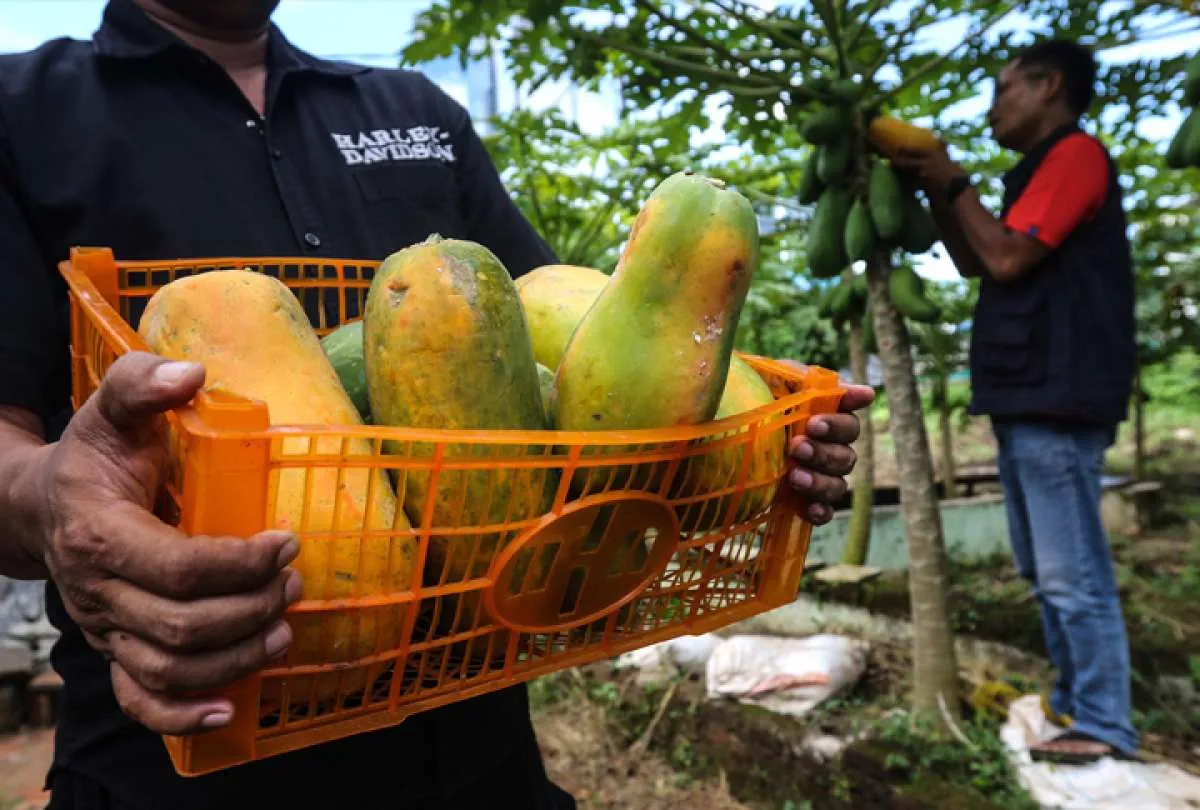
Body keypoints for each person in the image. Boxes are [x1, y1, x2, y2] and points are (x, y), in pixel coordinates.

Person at [0, 1, 873, 807]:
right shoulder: (22, 109)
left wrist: (750, 419)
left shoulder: (412, 105)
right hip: (182, 747)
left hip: (475, 737)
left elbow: (564, 344)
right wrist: (49, 504)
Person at [894, 39, 1138, 764]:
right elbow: (979, 258)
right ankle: (1076, 704)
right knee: (1043, 572)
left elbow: (1006, 255)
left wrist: (954, 175)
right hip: (1029, 396)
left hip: (1057, 398)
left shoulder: (1076, 155)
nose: (992, 106)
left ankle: (1105, 723)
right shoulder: (1033, 171)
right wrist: (940, 190)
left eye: (1004, 90)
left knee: (1072, 575)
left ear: (1047, 87)